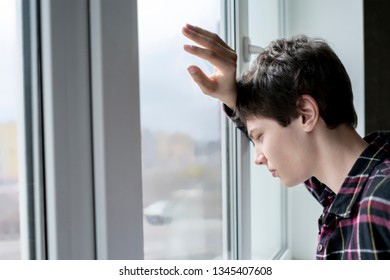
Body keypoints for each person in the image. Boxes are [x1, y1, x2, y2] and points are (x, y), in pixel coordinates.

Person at [182, 23, 390, 260]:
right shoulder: (348, 189)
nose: (258, 158)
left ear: (305, 114)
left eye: (259, 137)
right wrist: (232, 97)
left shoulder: (381, 200)